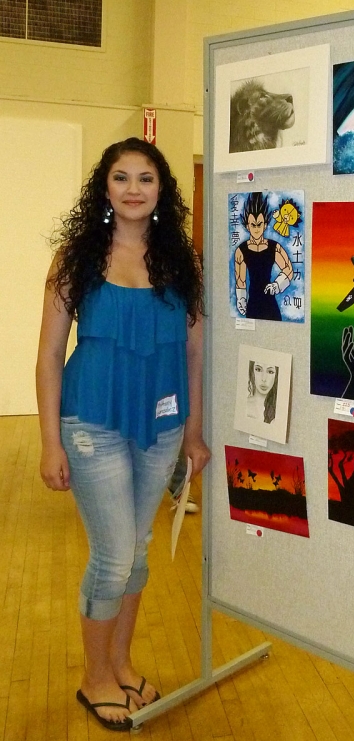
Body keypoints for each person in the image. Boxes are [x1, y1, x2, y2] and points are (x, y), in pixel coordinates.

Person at [36, 137, 210, 731]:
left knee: (135, 556)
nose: (134, 189)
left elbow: (193, 353)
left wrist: (194, 435)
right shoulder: (76, 259)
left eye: (146, 178)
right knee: (113, 559)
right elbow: (50, 354)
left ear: (162, 190)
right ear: (104, 188)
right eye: (121, 177)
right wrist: (49, 441)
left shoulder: (180, 260)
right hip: (91, 422)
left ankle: (120, 665)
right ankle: (94, 679)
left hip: (161, 426)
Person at [234, 191, 293, 321]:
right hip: (252, 303)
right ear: (247, 226)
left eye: (259, 224)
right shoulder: (241, 250)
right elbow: (240, 280)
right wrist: (241, 298)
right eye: (253, 225)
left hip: (270, 302)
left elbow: (288, 270)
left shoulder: (274, 247)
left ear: (265, 225)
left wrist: (277, 285)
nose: (256, 228)